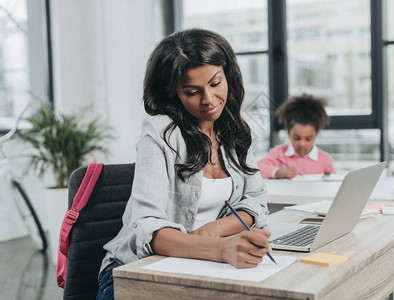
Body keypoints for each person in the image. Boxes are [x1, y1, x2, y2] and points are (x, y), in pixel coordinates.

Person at [97, 28, 270, 299]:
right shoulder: (160, 130)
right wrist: (222, 249)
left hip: (201, 267)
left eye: (215, 83)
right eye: (192, 91)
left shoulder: (232, 129)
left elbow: (256, 199)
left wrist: (216, 230)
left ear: (229, 76)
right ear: (173, 92)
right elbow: (148, 227)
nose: (209, 100)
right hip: (137, 272)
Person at [257, 94, 336, 179]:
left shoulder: (325, 159)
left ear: (316, 134)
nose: (302, 143)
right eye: (297, 138)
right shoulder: (278, 154)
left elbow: (336, 184)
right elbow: (256, 169)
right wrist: (277, 172)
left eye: (308, 139)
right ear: (288, 132)